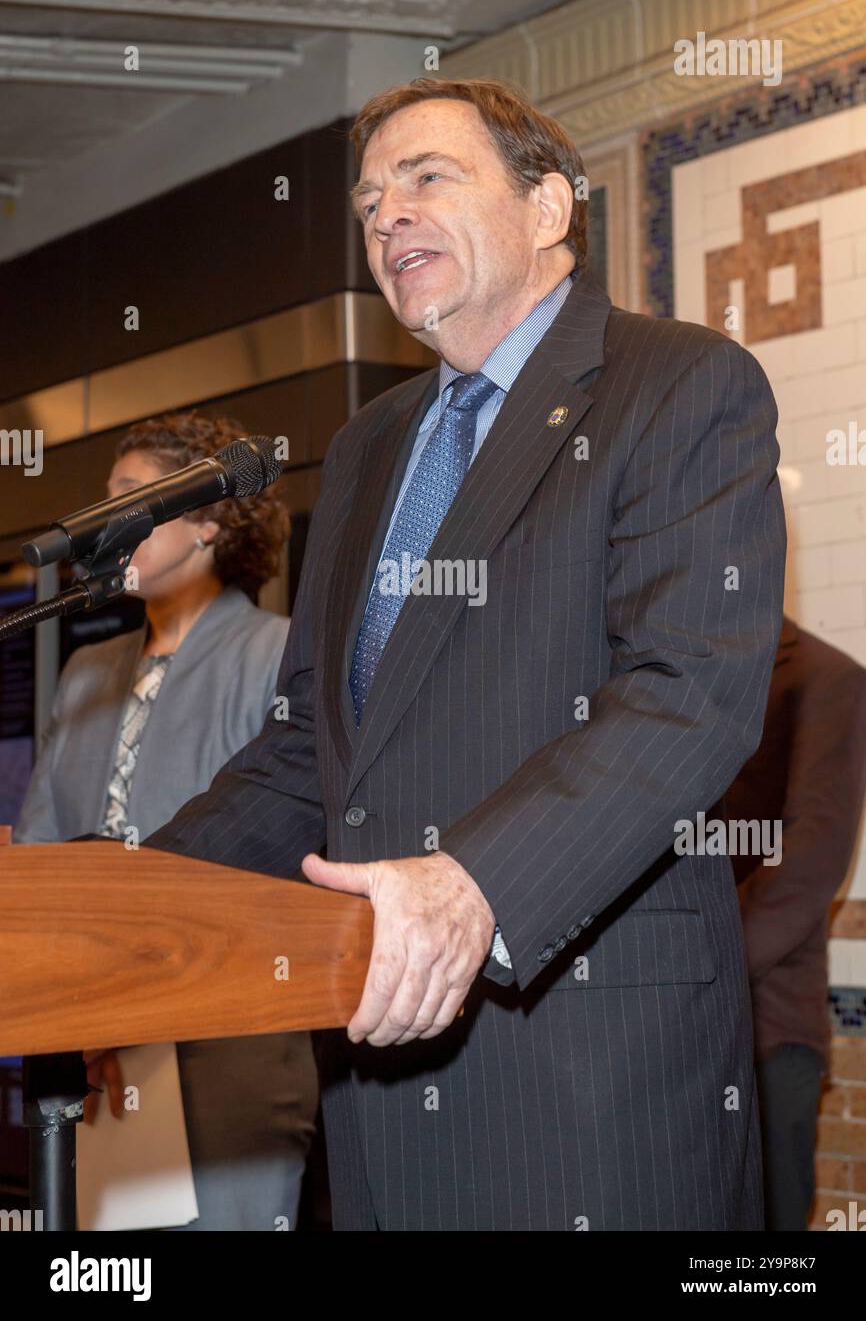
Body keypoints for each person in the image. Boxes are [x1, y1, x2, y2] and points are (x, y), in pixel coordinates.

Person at [144, 77, 786, 1231]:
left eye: (425, 178)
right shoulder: (366, 447)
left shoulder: (678, 384)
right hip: (377, 1068)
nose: (386, 216)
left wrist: (471, 888)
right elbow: (312, 749)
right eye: (367, 202)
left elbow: (684, 692)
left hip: (584, 1069)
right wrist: (134, 894)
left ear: (548, 209)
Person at [15, 411, 318, 1231]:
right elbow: (43, 853)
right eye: (106, 502)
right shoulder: (84, 672)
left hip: (230, 1046)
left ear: (211, 521)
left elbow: (281, 867)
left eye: (136, 500)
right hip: (93, 1050)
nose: (113, 523)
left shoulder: (279, 653)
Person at [726, 615, 866, 1230]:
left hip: (769, 1029)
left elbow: (808, 865)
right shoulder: (673, 672)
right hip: (679, 1039)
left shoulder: (825, 679)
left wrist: (698, 967)